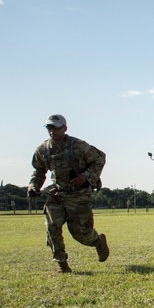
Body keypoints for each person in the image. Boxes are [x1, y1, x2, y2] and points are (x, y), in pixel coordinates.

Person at [28, 114, 109, 273]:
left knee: (81, 233)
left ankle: (98, 242)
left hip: (78, 195)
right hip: (56, 194)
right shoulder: (43, 149)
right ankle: (62, 265)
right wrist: (33, 186)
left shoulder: (78, 146)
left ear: (65, 128)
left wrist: (86, 177)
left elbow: (99, 159)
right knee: (52, 227)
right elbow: (38, 171)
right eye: (49, 127)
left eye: (56, 127)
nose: (52, 131)